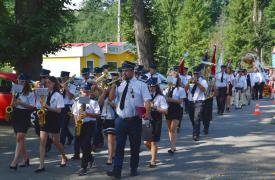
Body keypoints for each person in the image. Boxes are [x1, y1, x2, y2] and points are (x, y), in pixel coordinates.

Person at [107, 61, 151, 178]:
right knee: (119, 146)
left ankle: (134, 168)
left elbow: (147, 100)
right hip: (121, 119)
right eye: (123, 71)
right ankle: (117, 170)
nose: (124, 73)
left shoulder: (141, 85)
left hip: (134, 119)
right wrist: (113, 85)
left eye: (126, 71)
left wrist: (147, 113)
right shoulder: (119, 84)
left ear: (132, 71)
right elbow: (111, 98)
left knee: (135, 146)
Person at [35, 76, 67, 173]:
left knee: (55, 141)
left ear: (53, 84)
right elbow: (37, 104)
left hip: (54, 118)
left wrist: (48, 107)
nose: (47, 84)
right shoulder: (43, 92)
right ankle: (41, 165)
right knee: (42, 141)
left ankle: (63, 156)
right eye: (46, 82)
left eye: (49, 82)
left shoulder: (58, 95)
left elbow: (59, 110)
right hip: (44, 116)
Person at [72, 83, 100, 176]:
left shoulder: (93, 102)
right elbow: (75, 114)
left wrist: (88, 114)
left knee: (86, 143)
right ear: (81, 92)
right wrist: (77, 122)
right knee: (82, 145)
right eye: (84, 92)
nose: (86, 94)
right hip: (80, 125)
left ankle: (83, 167)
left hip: (90, 124)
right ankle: (90, 157)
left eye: (87, 92)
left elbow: (97, 115)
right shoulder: (77, 102)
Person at [9, 74, 35, 170]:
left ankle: (14, 161)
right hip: (16, 114)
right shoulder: (15, 89)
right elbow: (12, 103)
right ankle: (26, 159)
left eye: (23, 81)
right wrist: (13, 102)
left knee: (20, 137)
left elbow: (32, 107)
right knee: (20, 139)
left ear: (26, 83)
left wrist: (20, 103)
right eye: (19, 81)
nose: (21, 82)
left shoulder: (31, 93)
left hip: (25, 115)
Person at [144, 77, 168, 168]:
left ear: (156, 87)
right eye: (149, 86)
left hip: (156, 120)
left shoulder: (160, 97)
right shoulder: (146, 96)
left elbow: (165, 111)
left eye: (153, 86)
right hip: (147, 120)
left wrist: (154, 107)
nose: (151, 88)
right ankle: (154, 153)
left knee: (154, 142)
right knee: (146, 142)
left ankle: (153, 161)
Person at [164, 74, 185, 153]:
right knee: (170, 129)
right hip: (169, 109)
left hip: (177, 109)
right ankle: (172, 145)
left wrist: (170, 99)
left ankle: (172, 147)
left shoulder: (180, 89)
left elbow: (180, 101)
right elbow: (164, 99)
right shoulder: (167, 89)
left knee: (173, 128)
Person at [98, 78, 117, 166]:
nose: (107, 87)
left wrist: (112, 89)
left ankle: (109, 157)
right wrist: (104, 92)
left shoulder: (115, 95)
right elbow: (99, 103)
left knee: (110, 139)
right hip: (103, 118)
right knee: (108, 139)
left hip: (111, 118)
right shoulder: (104, 95)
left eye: (109, 86)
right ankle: (113, 152)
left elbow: (115, 105)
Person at [186, 67, 208, 141]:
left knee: (197, 118)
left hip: (199, 101)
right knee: (192, 119)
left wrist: (197, 83)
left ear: (200, 74)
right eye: (194, 73)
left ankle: (196, 134)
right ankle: (195, 129)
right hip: (190, 101)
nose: (196, 75)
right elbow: (186, 90)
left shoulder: (203, 81)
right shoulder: (190, 80)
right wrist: (188, 83)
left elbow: (204, 90)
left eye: (197, 73)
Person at [60, 71, 75, 146]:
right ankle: (70, 136)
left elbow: (70, 97)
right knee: (62, 125)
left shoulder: (72, 86)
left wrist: (66, 88)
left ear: (68, 78)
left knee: (63, 125)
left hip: (68, 106)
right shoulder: (59, 85)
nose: (63, 79)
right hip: (60, 106)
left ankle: (61, 143)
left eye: (64, 78)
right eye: (62, 78)